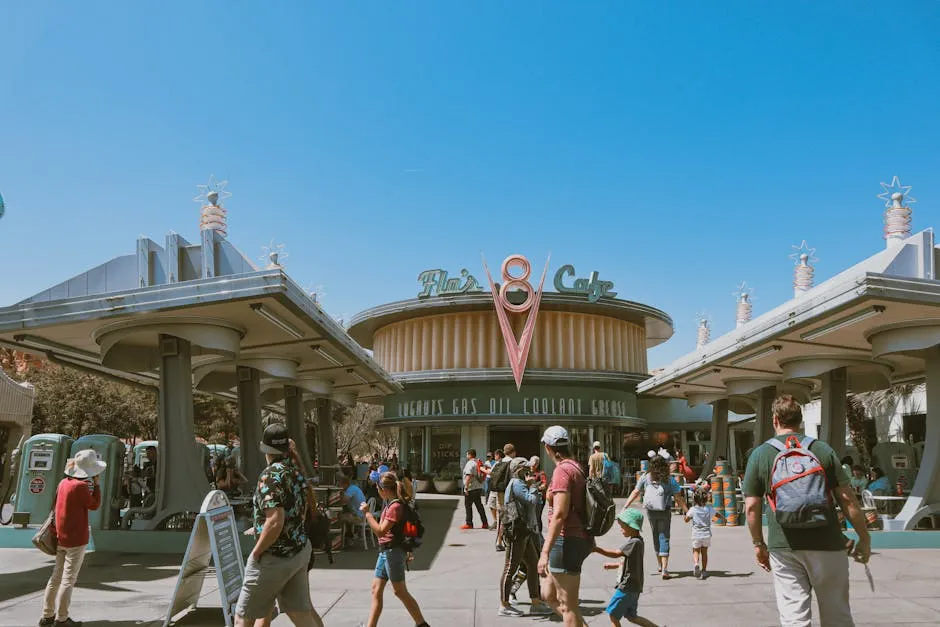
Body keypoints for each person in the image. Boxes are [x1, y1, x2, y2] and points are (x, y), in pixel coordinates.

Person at [743, 394, 870, 627]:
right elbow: (847, 499)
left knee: (794, 619)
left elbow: (751, 507)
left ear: (774, 420)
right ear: (800, 420)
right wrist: (864, 537)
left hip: (784, 547)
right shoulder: (821, 449)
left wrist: (758, 544)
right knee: (837, 616)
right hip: (828, 544)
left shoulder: (760, 454)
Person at [234, 424, 321, 627]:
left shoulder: (270, 476)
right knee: (300, 614)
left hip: (274, 556)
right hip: (299, 551)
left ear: (266, 449)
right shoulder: (296, 473)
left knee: (242, 617)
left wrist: (256, 552)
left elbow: (275, 520)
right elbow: (298, 512)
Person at [40, 449, 106, 627]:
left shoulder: (63, 483)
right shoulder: (82, 487)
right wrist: (97, 485)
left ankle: (47, 615)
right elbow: (94, 505)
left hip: (61, 536)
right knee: (68, 580)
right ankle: (61, 619)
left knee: (55, 578)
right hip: (76, 539)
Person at [360, 472, 430, 627]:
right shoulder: (391, 504)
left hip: (393, 553)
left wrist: (367, 514)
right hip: (385, 552)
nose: (377, 491)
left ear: (383, 489)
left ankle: (422, 624)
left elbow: (380, 531)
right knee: (376, 590)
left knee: (400, 592)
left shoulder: (395, 506)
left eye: (378, 488)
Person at [537, 425, 591, 627]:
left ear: (548, 447)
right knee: (548, 594)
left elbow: (560, 514)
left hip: (566, 540)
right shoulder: (576, 467)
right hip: (576, 538)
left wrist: (544, 552)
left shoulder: (562, 471)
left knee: (567, 605)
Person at [498, 457, 554, 617]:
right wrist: (532, 487)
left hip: (525, 530)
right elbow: (532, 501)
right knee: (510, 568)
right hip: (517, 532)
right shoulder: (517, 484)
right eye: (526, 469)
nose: (530, 472)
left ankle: (535, 602)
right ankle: (504, 605)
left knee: (533, 564)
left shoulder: (519, 483)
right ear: (519, 471)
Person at [622, 454, 688, 579]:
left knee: (655, 535)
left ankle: (659, 563)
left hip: (651, 511)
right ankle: (665, 568)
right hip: (664, 510)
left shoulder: (646, 477)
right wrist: (687, 511)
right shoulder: (669, 479)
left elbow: (636, 491)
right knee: (664, 537)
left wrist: (626, 505)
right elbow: (678, 498)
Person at [593, 509, 656, 627]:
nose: (621, 529)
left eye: (623, 526)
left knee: (613, 615)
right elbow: (632, 563)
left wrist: (597, 549)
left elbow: (616, 553)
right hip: (635, 587)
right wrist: (615, 565)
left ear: (631, 526)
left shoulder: (633, 542)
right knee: (632, 617)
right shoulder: (639, 541)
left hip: (627, 586)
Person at [684, 487, 715, 579]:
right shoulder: (708, 509)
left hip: (696, 534)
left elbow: (686, 519)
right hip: (706, 534)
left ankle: (696, 563)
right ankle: (704, 570)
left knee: (696, 550)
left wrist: (685, 517)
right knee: (704, 552)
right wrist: (723, 518)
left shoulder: (693, 509)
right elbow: (716, 514)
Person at [486, 449, 510, 549]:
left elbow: (491, 474)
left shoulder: (499, 463)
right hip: (507, 492)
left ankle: (499, 541)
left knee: (501, 517)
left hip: (499, 491)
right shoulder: (511, 462)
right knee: (508, 517)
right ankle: (504, 540)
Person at [461, 449, 488, 530]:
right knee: (479, 506)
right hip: (478, 487)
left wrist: (466, 487)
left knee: (468, 506)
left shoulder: (470, 463)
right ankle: (485, 523)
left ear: (469, 455)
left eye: (467, 455)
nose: (466, 456)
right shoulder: (478, 462)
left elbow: (468, 475)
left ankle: (469, 523)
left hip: (471, 488)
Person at [337, 475, 367, 545]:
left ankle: (343, 539)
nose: (338, 485)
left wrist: (340, 492)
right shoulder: (353, 488)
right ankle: (348, 537)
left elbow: (344, 501)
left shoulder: (350, 490)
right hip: (360, 513)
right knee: (345, 515)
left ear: (345, 484)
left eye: (340, 484)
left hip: (359, 516)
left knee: (339, 518)